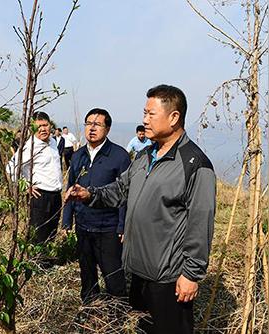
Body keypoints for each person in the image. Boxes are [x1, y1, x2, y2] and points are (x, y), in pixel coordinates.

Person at [65, 85, 216, 333]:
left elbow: (201, 224)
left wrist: (191, 274)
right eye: (144, 113)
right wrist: (90, 194)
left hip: (168, 277)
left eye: (150, 114)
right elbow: (120, 190)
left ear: (174, 117)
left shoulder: (194, 164)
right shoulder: (145, 156)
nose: (144, 120)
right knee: (145, 327)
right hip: (139, 271)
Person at [62, 108, 131, 303]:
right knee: (87, 272)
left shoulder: (119, 156)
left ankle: (117, 313)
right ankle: (90, 309)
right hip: (83, 225)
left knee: (113, 274)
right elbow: (71, 188)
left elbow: (125, 194)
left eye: (97, 124)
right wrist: (67, 220)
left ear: (107, 129)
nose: (92, 128)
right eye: (88, 123)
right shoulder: (78, 156)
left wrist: (122, 225)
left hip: (108, 227)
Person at [7, 112, 62, 246]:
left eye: (45, 125)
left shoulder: (53, 142)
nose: (43, 129)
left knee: (51, 231)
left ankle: (47, 263)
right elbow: (11, 167)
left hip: (56, 195)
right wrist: (25, 186)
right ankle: (37, 263)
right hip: (39, 196)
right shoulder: (29, 146)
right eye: (39, 126)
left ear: (50, 125)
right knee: (38, 233)